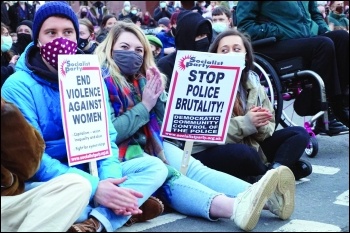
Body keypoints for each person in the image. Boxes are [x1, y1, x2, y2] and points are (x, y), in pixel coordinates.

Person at [95, 20, 296, 232]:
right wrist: (145, 105)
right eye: (125, 48)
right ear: (110, 48)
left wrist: (159, 96)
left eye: (138, 50)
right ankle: (235, 208)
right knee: (171, 176)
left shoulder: (143, 78)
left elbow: (166, 124)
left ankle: (264, 197)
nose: (133, 55)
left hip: (151, 143)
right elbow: (112, 134)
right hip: (121, 153)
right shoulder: (101, 79)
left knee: (194, 168)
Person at [1, 2, 168, 232]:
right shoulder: (18, 86)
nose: (60, 39)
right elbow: (34, 161)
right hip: (50, 182)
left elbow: (106, 138)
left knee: (155, 167)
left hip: (90, 170)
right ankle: (117, 212)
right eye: (51, 33)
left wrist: (109, 181)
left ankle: (97, 221)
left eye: (68, 32)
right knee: (75, 199)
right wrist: (95, 187)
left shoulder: (89, 75)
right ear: (38, 40)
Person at [192, 28, 312, 183]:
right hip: (214, 151)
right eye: (224, 50)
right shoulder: (204, 86)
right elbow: (201, 137)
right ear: (215, 55)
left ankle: (270, 175)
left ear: (246, 56)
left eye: (236, 49)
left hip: (252, 145)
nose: (231, 54)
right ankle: (279, 171)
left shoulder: (254, 84)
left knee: (299, 134)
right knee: (245, 154)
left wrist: (260, 124)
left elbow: (268, 130)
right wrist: (246, 123)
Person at [236, 1, 349, 133]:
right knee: (324, 45)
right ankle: (320, 107)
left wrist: (325, 31)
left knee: (342, 38)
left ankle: (340, 105)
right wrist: (277, 30)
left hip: (305, 40)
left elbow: (315, 15)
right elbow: (245, 27)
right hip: (274, 43)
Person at [1, 97, 92, 232]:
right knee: (85, 208)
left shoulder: (5, 111)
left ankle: (99, 217)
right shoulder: (18, 84)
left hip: (9, 203)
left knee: (78, 186)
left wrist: (6, 114)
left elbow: (29, 168)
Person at [157, 10, 213, 91]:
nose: (204, 40)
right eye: (199, 36)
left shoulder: (213, 62)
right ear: (186, 37)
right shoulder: (166, 64)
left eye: (205, 35)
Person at [1, 23, 19, 88]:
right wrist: (11, 67)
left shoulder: (5, 53)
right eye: (6, 34)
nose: (8, 38)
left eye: (8, 34)